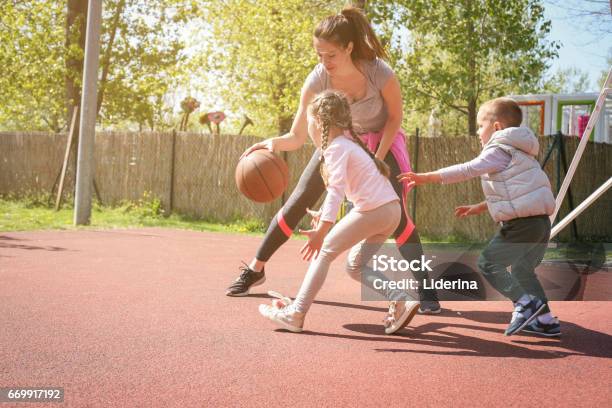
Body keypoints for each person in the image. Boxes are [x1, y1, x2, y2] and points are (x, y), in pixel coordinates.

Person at [226, 5, 440, 314]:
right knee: (298, 200)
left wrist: (377, 162)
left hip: (382, 141)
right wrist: (269, 144)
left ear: (349, 48)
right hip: (339, 140)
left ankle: (425, 288)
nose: (324, 63)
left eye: (331, 56)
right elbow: (297, 136)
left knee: (397, 215)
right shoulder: (317, 80)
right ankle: (256, 269)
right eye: (319, 56)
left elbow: (394, 119)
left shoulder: (379, 72)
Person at [259, 90, 419, 333]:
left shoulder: (335, 148)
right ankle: (400, 298)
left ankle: (296, 313)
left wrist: (323, 229)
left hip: (374, 211)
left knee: (324, 252)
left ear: (320, 122)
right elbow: (345, 188)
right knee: (354, 266)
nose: (309, 127)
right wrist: (323, 212)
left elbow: (335, 190)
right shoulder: (349, 145)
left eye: (310, 122)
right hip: (391, 212)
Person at [398, 97, 561, 337]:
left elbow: (468, 169)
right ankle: (545, 320)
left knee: (488, 263)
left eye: (479, 126)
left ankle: (525, 303)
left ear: (496, 127)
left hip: (521, 226)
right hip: (539, 224)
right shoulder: (523, 153)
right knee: (523, 270)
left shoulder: (499, 147)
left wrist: (426, 177)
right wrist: (480, 207)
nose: (477, 132)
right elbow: (517, 193)